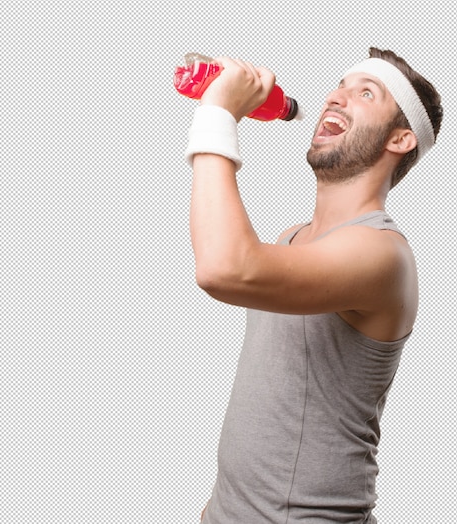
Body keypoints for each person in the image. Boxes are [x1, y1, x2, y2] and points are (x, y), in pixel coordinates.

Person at [185, 48, 443, 523]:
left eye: (366, 93)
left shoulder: (382, 254)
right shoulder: (292, 240)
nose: (337, 98)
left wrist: (217, 114)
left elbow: (223, 267)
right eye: (341, 85)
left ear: (401, 139)